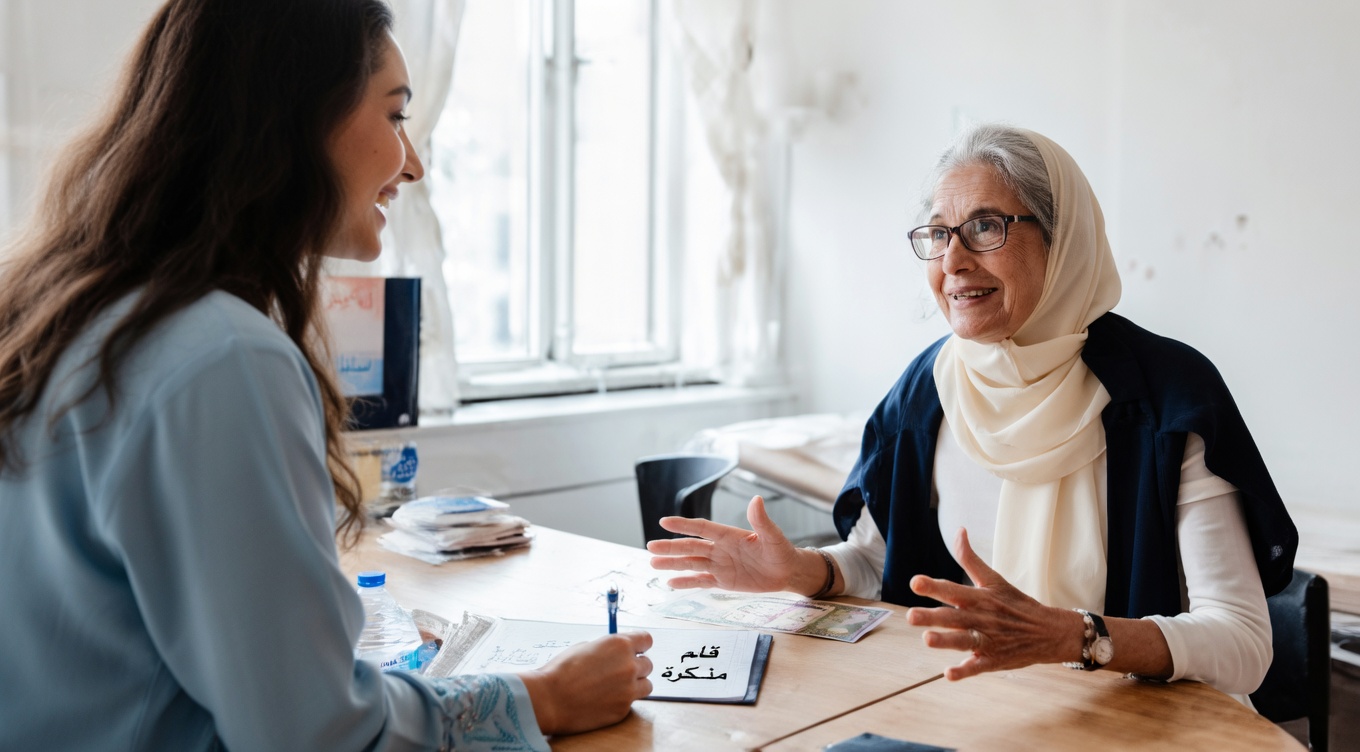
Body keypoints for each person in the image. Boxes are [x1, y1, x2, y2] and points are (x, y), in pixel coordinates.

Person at [0, 1, 652, 749]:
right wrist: (539, 699)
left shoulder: (61, 316)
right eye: (396, 115)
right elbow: (316, 732)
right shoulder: (223, 358)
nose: (414, 163)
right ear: (297, 117)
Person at [648, 123, 1296, 703]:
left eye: (986, 227)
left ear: (1062, 240)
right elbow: (881, 565)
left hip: (1147, 723)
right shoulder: (924, 391)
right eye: (938, 234)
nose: (953, 261)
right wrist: (809, 572)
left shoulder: (1165, 394)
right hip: (979, 710)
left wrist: (1076, 637)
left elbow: (1242, 645)